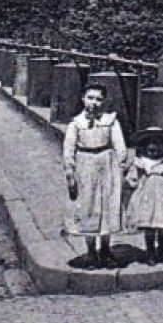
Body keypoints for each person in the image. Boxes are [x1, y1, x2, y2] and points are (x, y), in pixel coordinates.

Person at [62, 84, 128, 268]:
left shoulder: (111, 121)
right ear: (83, 98)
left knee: (108, 206)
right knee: (88, 207)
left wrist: (121, 166)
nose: (94, 102)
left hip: (107, 164)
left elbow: (120, 146)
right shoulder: (75, 123)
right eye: (90, 98)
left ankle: (106, 250)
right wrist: (70, 173)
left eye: (99, 99)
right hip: (85, 165)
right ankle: (91, 253)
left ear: (104, 101)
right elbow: (68, 149)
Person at [126, 126, 163, 265]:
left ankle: (162, 251)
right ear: (145, 147)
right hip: (147, 197)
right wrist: (132, 181)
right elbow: (132, 176)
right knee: (149, 227)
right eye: (151, 145)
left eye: (158, 144)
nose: (154, 148)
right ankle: (150, 253)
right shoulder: (140, 162)